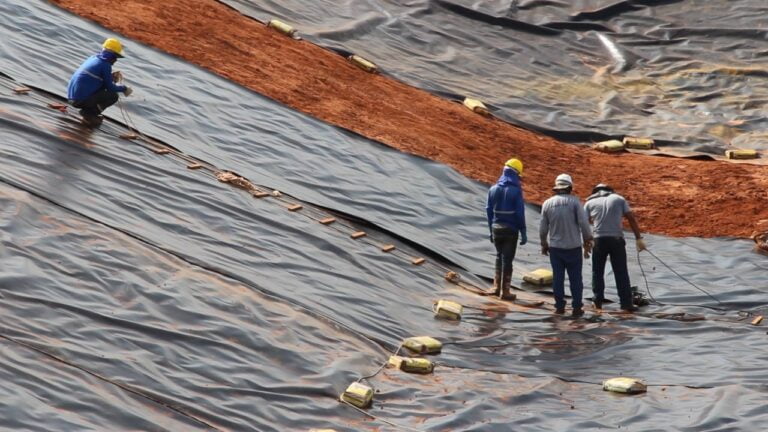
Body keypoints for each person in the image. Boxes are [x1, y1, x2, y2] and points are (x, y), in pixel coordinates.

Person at [584, 183, 646, 312]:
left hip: (598, 241)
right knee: (621, 272)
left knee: (597, 272)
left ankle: (597, 302)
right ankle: (626, 303)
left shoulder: (589, 203)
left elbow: (583, 224)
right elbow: (631, 218)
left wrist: (586, 242)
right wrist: (638, 238)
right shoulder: (619, 199)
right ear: (610, 191)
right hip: (616, 240)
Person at [539, 174, 593, 316]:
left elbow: (543, 228)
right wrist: (588, 239)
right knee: (575, 279)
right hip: (573, 248)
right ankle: (576, 307)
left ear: (556, 188)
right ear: (570, 187)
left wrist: (544, 244)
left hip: (556, 249)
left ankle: (559, 307)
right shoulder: (575, 203)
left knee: (558, 278)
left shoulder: (547, 204)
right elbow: (583, 223)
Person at [486, 158, 527, 301]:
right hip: (511, 230)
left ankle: (496, 287)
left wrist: (490, 230)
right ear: (516, 174)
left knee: (498, 256)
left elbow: (489, 210)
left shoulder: (493, 189)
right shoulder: (516, 191)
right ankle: (506, 291)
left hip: (496, 228)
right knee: (507, 260)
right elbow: (520, 213)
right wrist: (523, 231)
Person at [67, 38, 133, 127]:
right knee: (113, 96)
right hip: (79, 100)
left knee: (106, 92)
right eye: (115, 57)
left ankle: (88, 113)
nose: (116, 60)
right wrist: (124, 88)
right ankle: (89, 114)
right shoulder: (105, 65)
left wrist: (110, 77)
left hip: (72, 98)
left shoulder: (93, 58)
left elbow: (94, 81)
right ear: (111, 55)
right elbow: (110, 88)